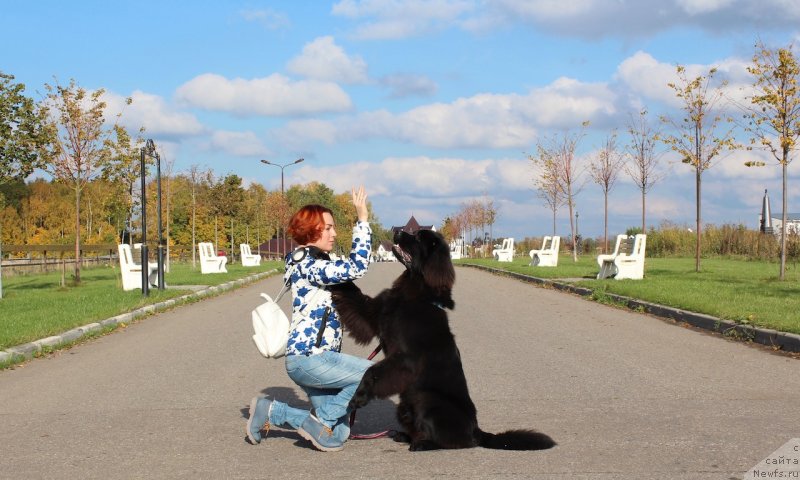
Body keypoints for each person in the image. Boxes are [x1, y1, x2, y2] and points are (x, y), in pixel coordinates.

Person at [246, 186, 372, 452]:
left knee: (336, 436)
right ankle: (319, 421)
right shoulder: (308, 264)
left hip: (314, 359)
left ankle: (272, 412)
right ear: (313, 229)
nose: (334, 233)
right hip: (311, 359)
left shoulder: (313, 262)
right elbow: (356, 267)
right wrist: (362, 220)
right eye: (329, 228)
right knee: (374, 375)